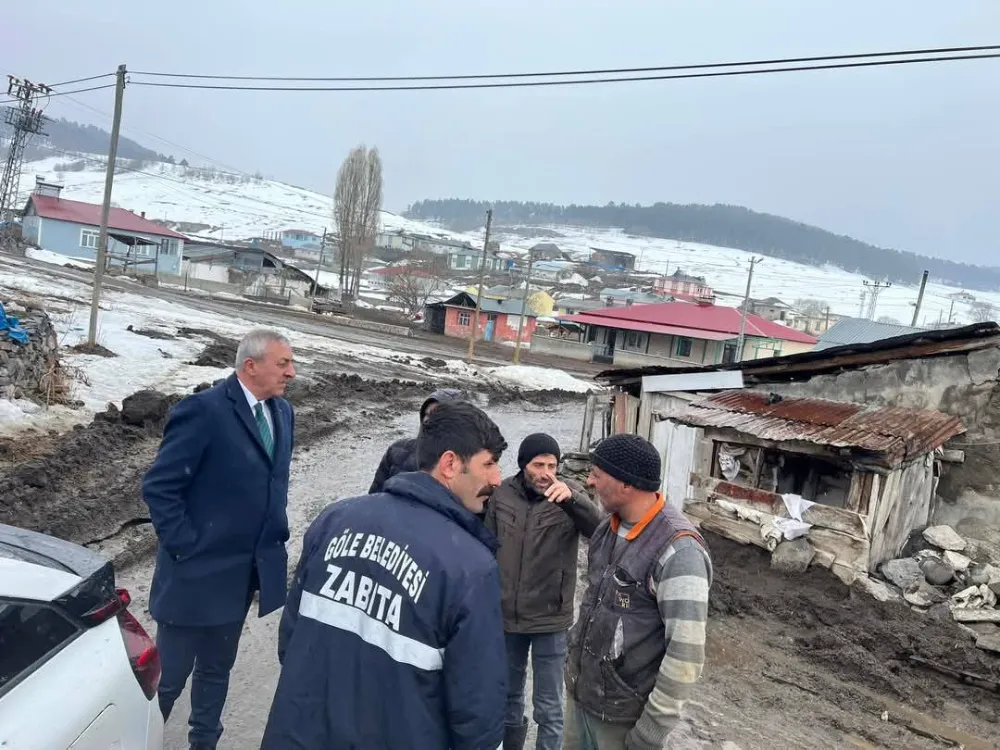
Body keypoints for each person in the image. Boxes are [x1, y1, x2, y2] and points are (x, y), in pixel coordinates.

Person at [261, 400, 509, 750]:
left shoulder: (335, 519)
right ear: (450, 464)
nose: (497, 479)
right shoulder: (470, 568)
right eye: (489, 464)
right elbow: (477, 709)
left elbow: (291, 640)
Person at [142, 329, 296, 750]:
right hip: (194, 576)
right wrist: (185, 545)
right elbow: (160, 486)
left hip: (240, 577)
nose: (291, 373)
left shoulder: (282, 413)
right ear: (251, 365)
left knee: (216, 672)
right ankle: (142, 741)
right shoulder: (204, 411)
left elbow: (271, 485)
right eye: (283, 364)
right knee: (167, 681)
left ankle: (204, 743)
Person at [565, 434, 712, 750]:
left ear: (626, 484)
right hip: (582, 701)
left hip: (622, 724)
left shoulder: (679, 552)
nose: (588, 481)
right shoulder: (608, 528)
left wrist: (649, 735)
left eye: (597, 474)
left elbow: (685, 656)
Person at [485, 433, 602, 750]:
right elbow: (483, 546)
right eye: (539, 464)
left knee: (549, 707)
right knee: (508, 697)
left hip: (551, 619)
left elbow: (601, 532)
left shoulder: (569, 495)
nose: (546, 472)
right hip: (507, 617)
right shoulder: (501, 496)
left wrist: (573, 501)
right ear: (524, 465)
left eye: (552, 464)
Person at [369, 388, 463, 493]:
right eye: (426, 414)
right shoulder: (397, 452)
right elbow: (374, 499)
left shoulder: (469, 465)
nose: (427, 420)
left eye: (436, 416)